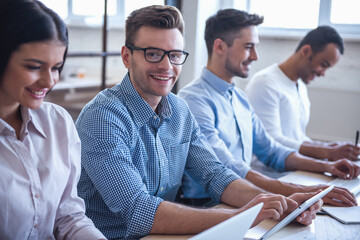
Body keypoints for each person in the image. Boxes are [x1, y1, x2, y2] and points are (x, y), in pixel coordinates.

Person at [75, 5, 322, 239]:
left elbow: (215, 176)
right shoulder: (102, 117)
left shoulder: (179, 110)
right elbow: (138, 209)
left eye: (174, 55)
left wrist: (278, 204)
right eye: (152, 54)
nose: (166, 66)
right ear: (127, 57)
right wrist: (240, 216)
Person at [177, 9, 359, 209]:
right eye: (248, 47)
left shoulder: (239, 98)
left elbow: (271, 150)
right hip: (209, 205)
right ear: (219, 47)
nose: (255, 56)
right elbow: (226, 167)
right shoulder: (193, 100)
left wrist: (327, 165)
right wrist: (298, 190)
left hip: (242, 197)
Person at [0, 1, 106, 239]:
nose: (49, 82)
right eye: (34, 67)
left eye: (56, 67)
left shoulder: (58, 122)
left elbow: (68, 217)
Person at [245, 26, 360, 161]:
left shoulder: (300, 86)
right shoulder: (264, 83)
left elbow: (297, 139)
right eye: (323, 64)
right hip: (272, 175)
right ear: (306, 51)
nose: (323, 73)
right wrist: (327, 152)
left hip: (296, 169)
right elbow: (271, 141)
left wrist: (330, 147)